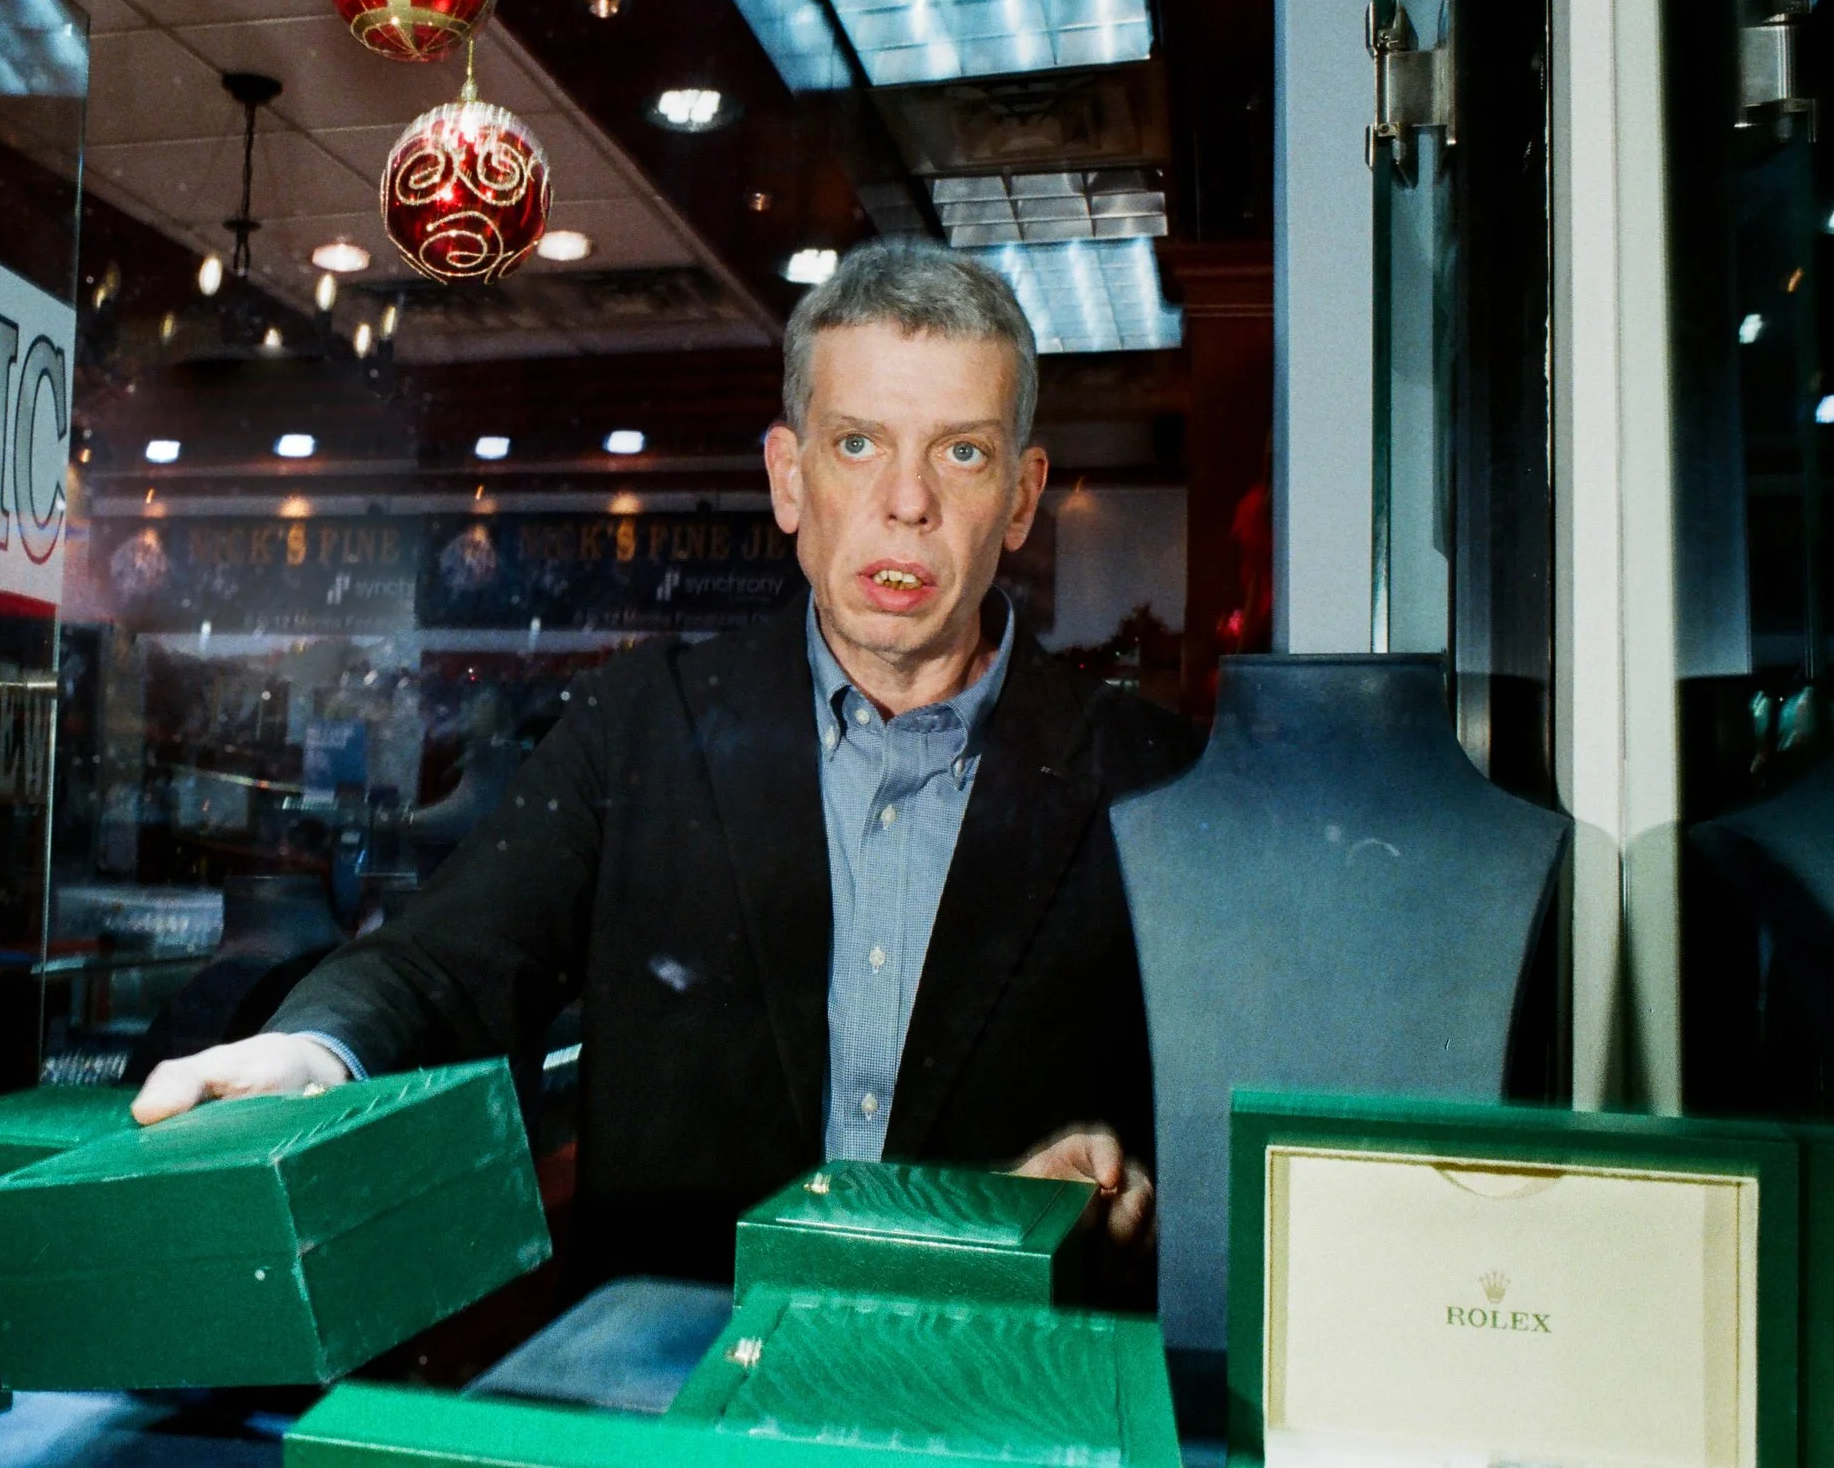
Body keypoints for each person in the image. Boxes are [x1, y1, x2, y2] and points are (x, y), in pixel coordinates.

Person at [132, 241, 1195, 1285]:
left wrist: (1124, 1184)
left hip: (991, 1391)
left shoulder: (1153, 777)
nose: (906, 501)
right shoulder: (637, 725)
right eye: (858, 443)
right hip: (672, 1388)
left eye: (959, 451)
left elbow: (1214, 1137)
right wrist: (316, 1052)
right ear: (789, 477)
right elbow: (445, 960)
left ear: (1019, 495)